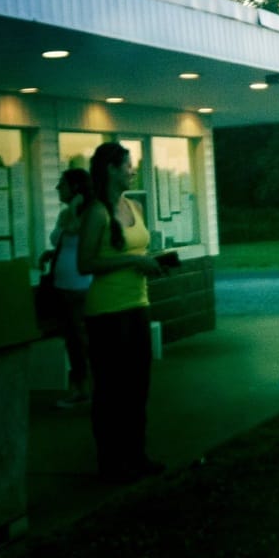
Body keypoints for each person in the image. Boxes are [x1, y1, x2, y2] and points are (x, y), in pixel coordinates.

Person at [78, 142, 165, 483]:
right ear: (112, 169)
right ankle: (111, 465)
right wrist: (132, 260)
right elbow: (84, 263)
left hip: (137, 305)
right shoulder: (96, 212)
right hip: (107, 312)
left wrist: (150, 262)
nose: (132, 171)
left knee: (137, 386)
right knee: (111, 390)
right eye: (128, 165)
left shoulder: (133, 206)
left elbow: (138, 247)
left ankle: (136, 456)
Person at [40, 168, 94, 408]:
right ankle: (81, 387)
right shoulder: (66, 214)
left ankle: (87, 389)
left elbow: (83, 238)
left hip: (80, 284)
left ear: (75, 187)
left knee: (81, 339)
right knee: (73, 340)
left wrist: (73, 211)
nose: (57, 189)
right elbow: (60, 241)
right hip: (64, 284)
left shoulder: (87, 213)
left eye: (62, 184)